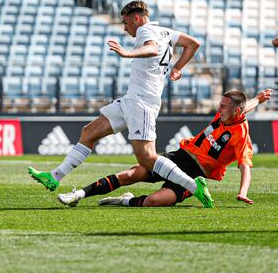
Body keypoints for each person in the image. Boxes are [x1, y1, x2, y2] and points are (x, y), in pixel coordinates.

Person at [28, 0, 214, 208]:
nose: (125, 29)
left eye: (126, 23)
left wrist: (128, 53)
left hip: (142, 103)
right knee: (89, 132)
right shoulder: (166, 32)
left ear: (136, 18)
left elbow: (151, 49)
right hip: (131, 100)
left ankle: (193, 185)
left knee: (147, 159)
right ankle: (54, 176)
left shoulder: (145, 31)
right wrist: (178, 68)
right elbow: (193, 44)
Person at [57, 89, 272, 208]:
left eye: (223, 106)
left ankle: (125, 200)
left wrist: (242, 192)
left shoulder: (241, 135)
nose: (219, 109)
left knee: (155, 201)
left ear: (235, 111)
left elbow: (245, 167)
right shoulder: (226, 113)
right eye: (220, 105)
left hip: (196, 175)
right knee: (132, 173)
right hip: (180, 157)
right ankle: (79, 194)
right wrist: (258, 99)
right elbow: (246, 106)